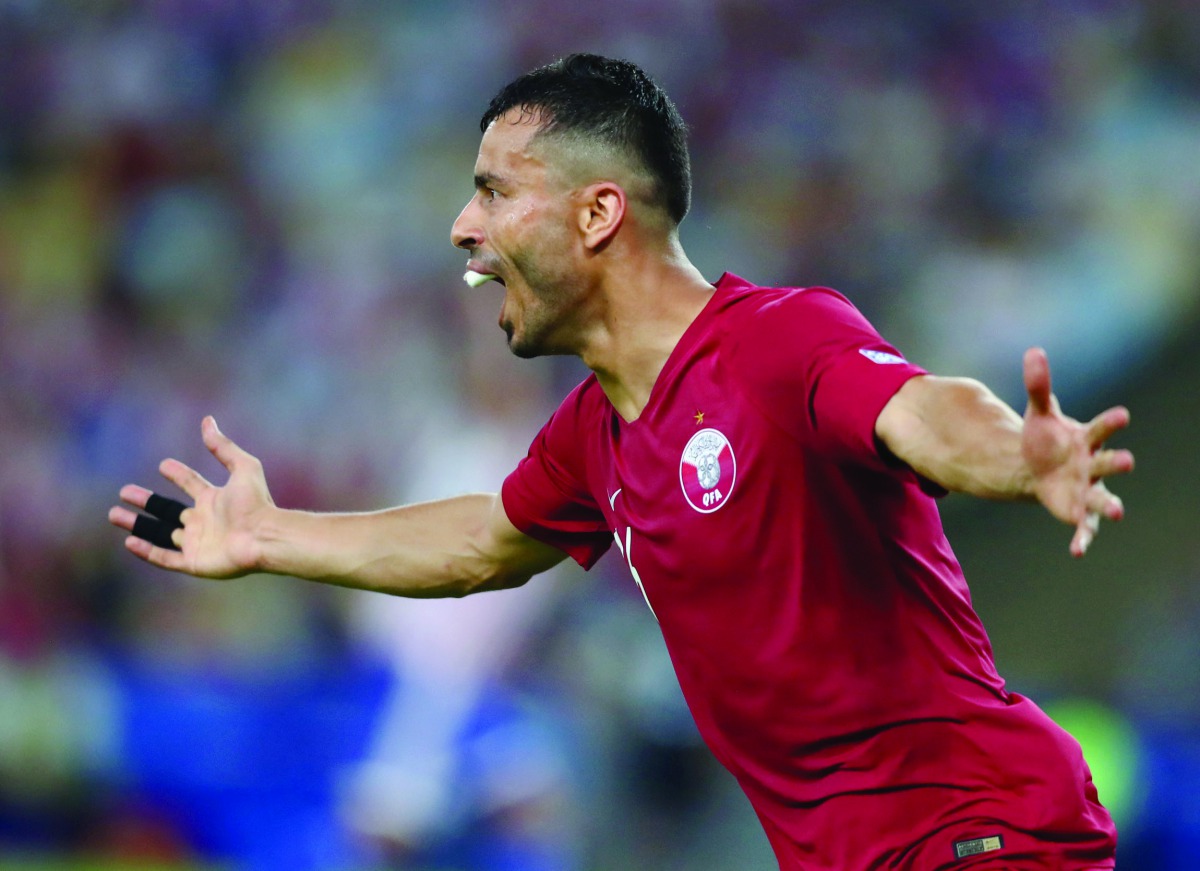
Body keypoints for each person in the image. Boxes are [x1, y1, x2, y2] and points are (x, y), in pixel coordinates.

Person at [109, 54, 1134, 870]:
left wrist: (1019, 450)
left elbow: (920, 413)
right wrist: (269, 535)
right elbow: (483, 543)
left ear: (598, 214)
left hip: (978, 835)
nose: (463, 226)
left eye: (495, 192)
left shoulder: (778, 341)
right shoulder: (596, 433)